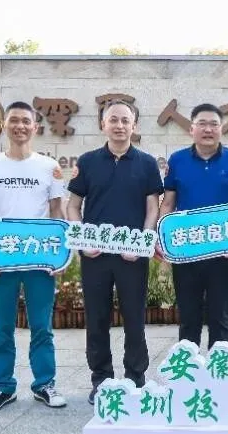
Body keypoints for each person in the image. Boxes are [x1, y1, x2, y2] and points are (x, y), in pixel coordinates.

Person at [0, 101, 67, 415]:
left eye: (26, 121)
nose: (20, 126)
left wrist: (57, 257)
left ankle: (44, 384)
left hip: (39, 259)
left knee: (42, 326)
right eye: (14, 120)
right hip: (1, 259)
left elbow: (57, 212)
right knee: (1, 328)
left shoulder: (48, 166)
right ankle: (2, 387)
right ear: (4, 125)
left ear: (35, 127)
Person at [66, 100, 163, 404]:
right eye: (113, 120)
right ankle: (101, 379)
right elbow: (73, 206)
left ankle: (135, 377)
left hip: (132, 257)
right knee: (97, 318)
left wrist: (143, 242)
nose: (119, 125)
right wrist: (83, 241)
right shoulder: (88, 162)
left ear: (134, 126)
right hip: (94, 255)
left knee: (134, 318)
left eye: (125, 120)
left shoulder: (147, 163)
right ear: (102, 124)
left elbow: (152, 208)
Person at [158, 103, 228, 350]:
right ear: (192, 129)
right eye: (202, 124)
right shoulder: (177, 160)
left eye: (213, 124)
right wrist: (161, 239)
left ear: (221, 129)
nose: (208, 129)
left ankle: (220, 368)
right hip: (186, 250)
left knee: (220, 315)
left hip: (223, 252)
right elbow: (168, 203)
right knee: (188, 316)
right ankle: (188, 366)